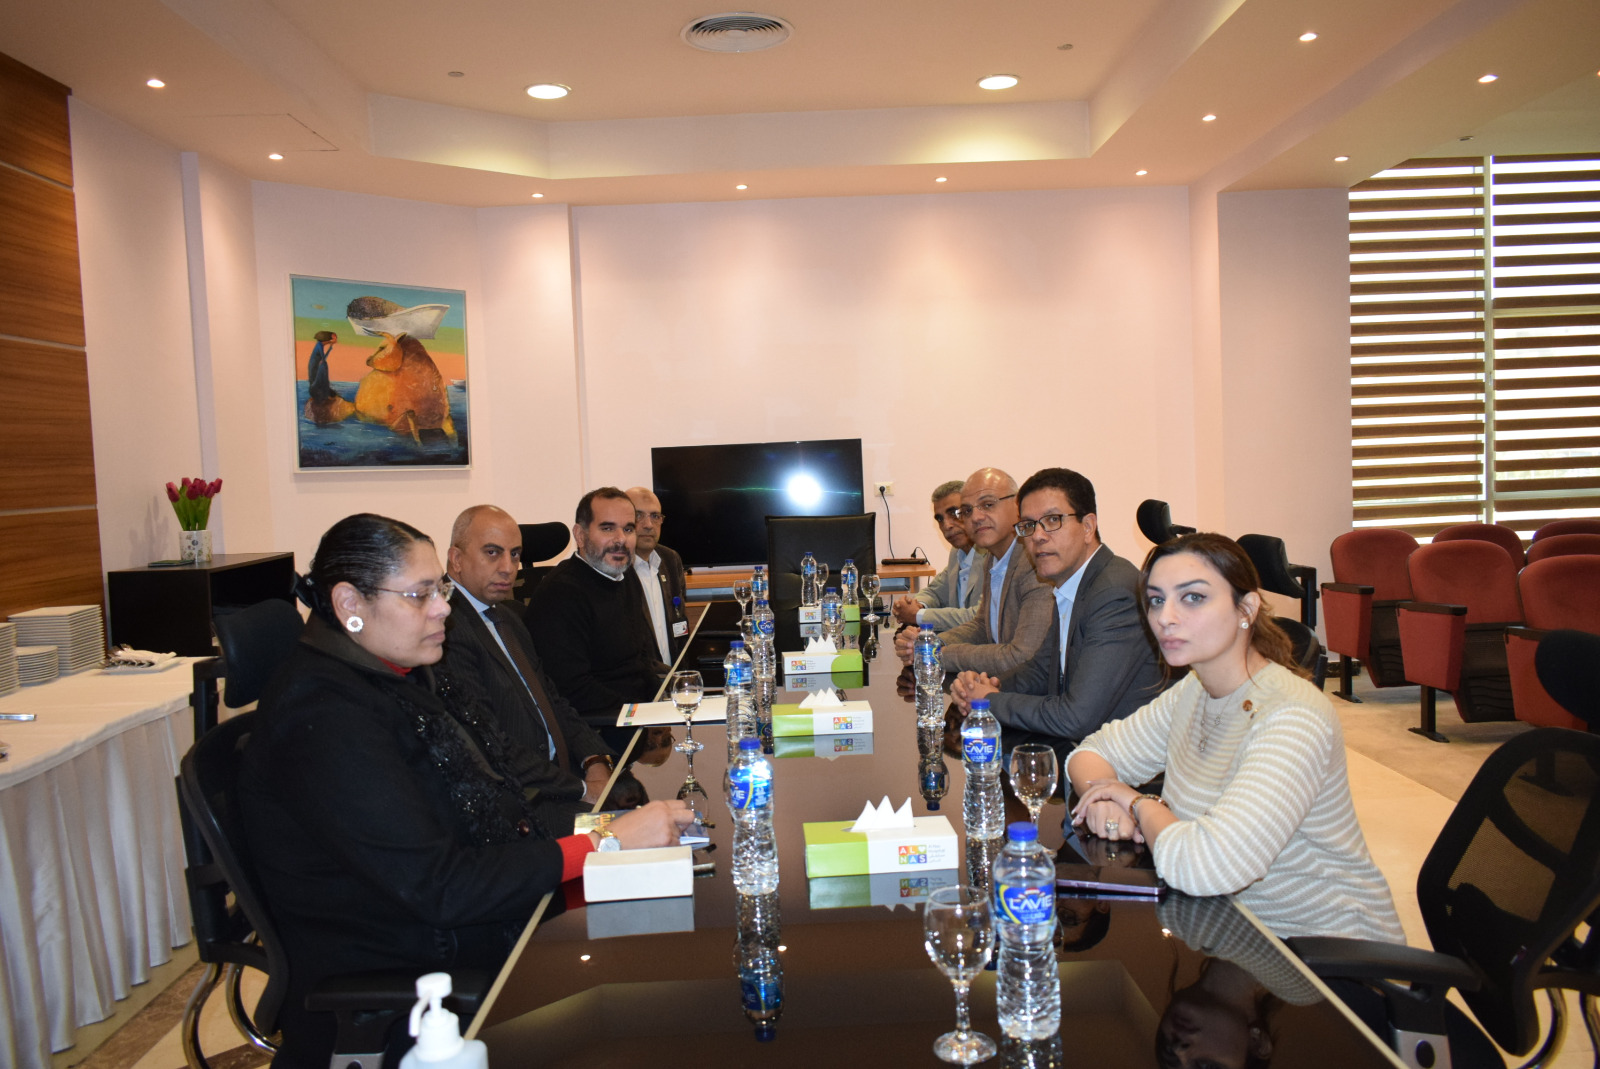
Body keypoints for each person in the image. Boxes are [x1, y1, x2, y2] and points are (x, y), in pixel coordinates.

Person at [239, 513, 691, 1069]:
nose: (442, 609)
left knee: (663, 924)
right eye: (420, 595)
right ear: (350, 603)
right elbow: (442, 886)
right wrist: (603, 844)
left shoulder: (394, 672)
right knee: (643, 996)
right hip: (413, 967)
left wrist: (599, 831)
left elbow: (492, 793)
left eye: (442, 590)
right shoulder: (325, 718)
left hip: (465, 915)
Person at [1067, 532, 1403, 944]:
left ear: (1247, 608)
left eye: (1192, 597)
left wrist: (1137, 804)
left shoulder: (1294, 717)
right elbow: (1090, 752)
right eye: (1156, 600)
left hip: (1320, 951)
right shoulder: (1194, 690)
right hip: (1226, 929)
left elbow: (1205, 868)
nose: (1165, 617)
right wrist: (1103, 794)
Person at [443, 504, 642, 830]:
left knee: (664, 817)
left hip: (564, 776)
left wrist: (595, 759)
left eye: (515, 554)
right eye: (492, 553)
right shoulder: (446, 629)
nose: (508, 568)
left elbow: (552, 699)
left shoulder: (507, 617)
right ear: (456, 559)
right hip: (524, 801)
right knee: (645, 835)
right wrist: (582, 788)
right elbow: (490, 743)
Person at [950, 468, 1164, 764]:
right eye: (1028, 525)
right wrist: (986, 686)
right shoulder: (1071, 582)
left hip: (1128, 768)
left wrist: (989, 701)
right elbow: (1041, 670)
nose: (1038, 536)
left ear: (1088, 527)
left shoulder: (1113, 593)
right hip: (1085, 755)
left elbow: (1076, 717)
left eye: (1052, 520)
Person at [525, 487, 671, 740]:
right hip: (599, 730)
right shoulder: (561, 594)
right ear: (580, 536)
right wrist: (641, 713)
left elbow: (641, 659)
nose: (620, 540)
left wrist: (662, 700)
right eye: (607, 528)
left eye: (628, 529)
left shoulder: (625, 576)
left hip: (638, 719)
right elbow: (571, 690)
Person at [894, 467, 1053, 677]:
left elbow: (1022, 657)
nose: (976, 517)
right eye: (967, 511)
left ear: (1017, 506)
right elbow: (981, 626)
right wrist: (930, 643)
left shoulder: (1035, 563)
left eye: (988, 505)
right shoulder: (993, 558)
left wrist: (936, 654)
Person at [892, 480, 984, 631]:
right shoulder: (957, 552)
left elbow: (979, 617)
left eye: (954, 513)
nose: (947, 525)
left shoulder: (993, 554)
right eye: (940, 519)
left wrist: (917, 615)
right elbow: (935, 591)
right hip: (959, 640)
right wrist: (915, 604)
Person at [626, 485, 689, 663]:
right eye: (638, 515)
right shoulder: (616, 567)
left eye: (655, 516)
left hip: (673, 675)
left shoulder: (670, 559)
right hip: (639, 678)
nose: (648, 525)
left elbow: (680, 625)